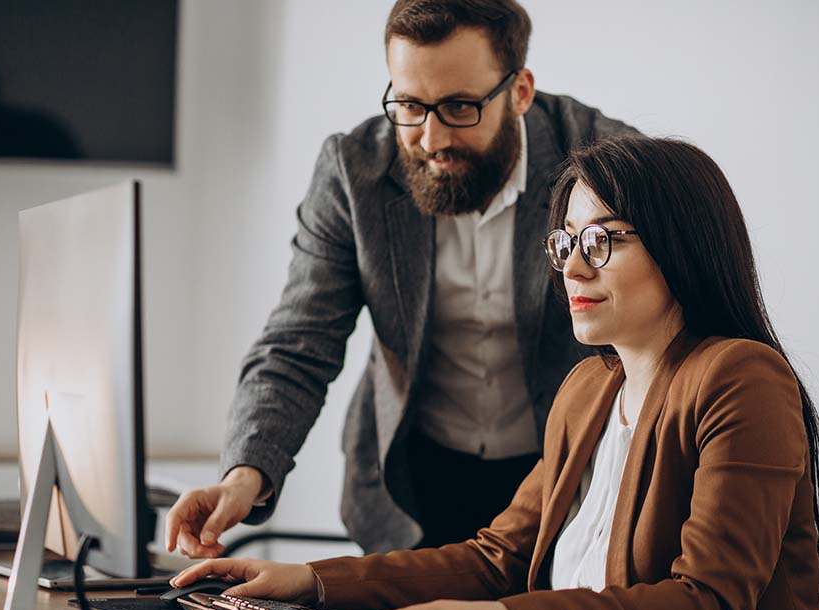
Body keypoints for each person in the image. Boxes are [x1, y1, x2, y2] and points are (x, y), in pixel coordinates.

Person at [167, 136, 819, 610]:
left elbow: (708, 609)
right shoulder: (588, 390)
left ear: (681, 245)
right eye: (566, 242)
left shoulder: (741, 378)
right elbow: (497, 560)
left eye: (600, 241)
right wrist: (310, 581)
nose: (572, 267)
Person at [166, 0, 637, 558]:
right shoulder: (354, 172)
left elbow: (667, 332)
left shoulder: (605, 163)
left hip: (566, 476)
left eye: (459, 107)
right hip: (411, 487)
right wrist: (244, 476)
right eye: (410, 106)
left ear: (519, 92)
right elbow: (299, 342)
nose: (431, 139)